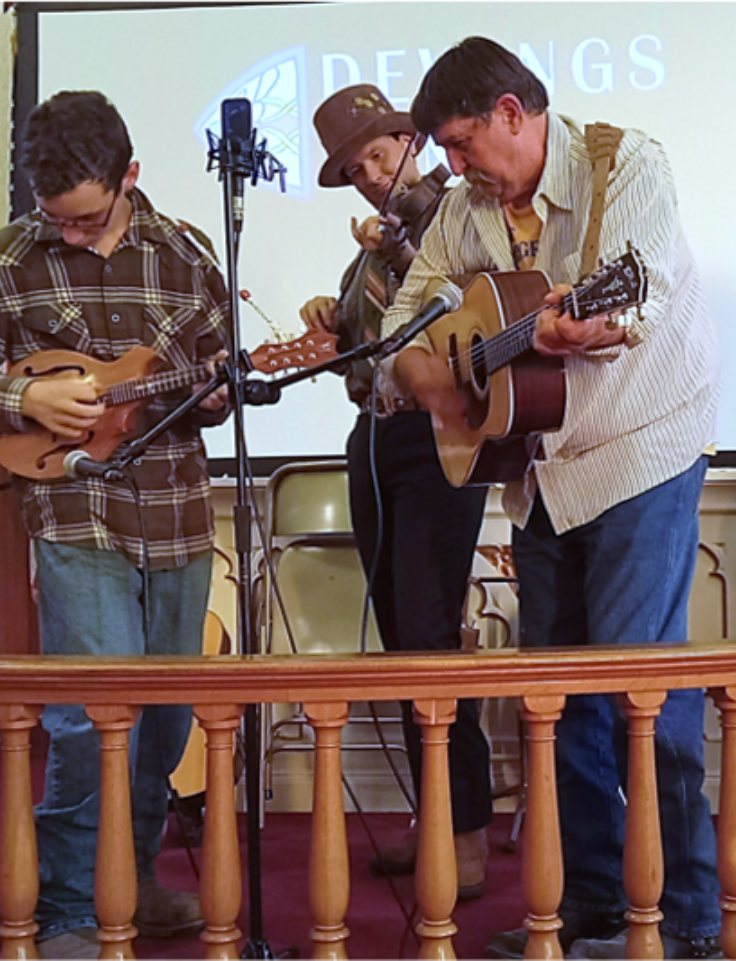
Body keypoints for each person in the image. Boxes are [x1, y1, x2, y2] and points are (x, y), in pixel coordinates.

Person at [385, 37, 722, 959]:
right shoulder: (464, 212)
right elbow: (400, 321)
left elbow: (637, 293)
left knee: (641, 691)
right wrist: (436, 380)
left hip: (638, 448)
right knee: (559, 702)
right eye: (444, 154)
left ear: (511, 113)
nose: (453, 169)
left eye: (461, 144)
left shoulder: (626, 163)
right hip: (539, 473)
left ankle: (686, 921)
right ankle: (595, 913)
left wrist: (591, 325)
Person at [0, 90, 229, 959]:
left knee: (164, 722)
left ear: (129, 177)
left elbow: (213, 383)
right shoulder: (7, 255)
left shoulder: (188, 252)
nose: (72, 235)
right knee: (91, 716)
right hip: (71, 509)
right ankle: (64, 908)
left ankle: (129, 880)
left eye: (87, 220)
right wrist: (24, 395)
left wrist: (216, 389)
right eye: (58, 220)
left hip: (175, 511)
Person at [298, 84, 493, 898]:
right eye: (352, 169)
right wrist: (332, 317)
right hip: (374, 438)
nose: (369, 175)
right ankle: (434, 819)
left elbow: (461, 308)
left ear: (410, 139)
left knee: (430, 635)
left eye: (377, 156)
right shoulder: (367, 248)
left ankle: (469, 835)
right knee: (402, 637)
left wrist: (395, 254)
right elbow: (367, 345)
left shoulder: (457, 214)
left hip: (437, 436)